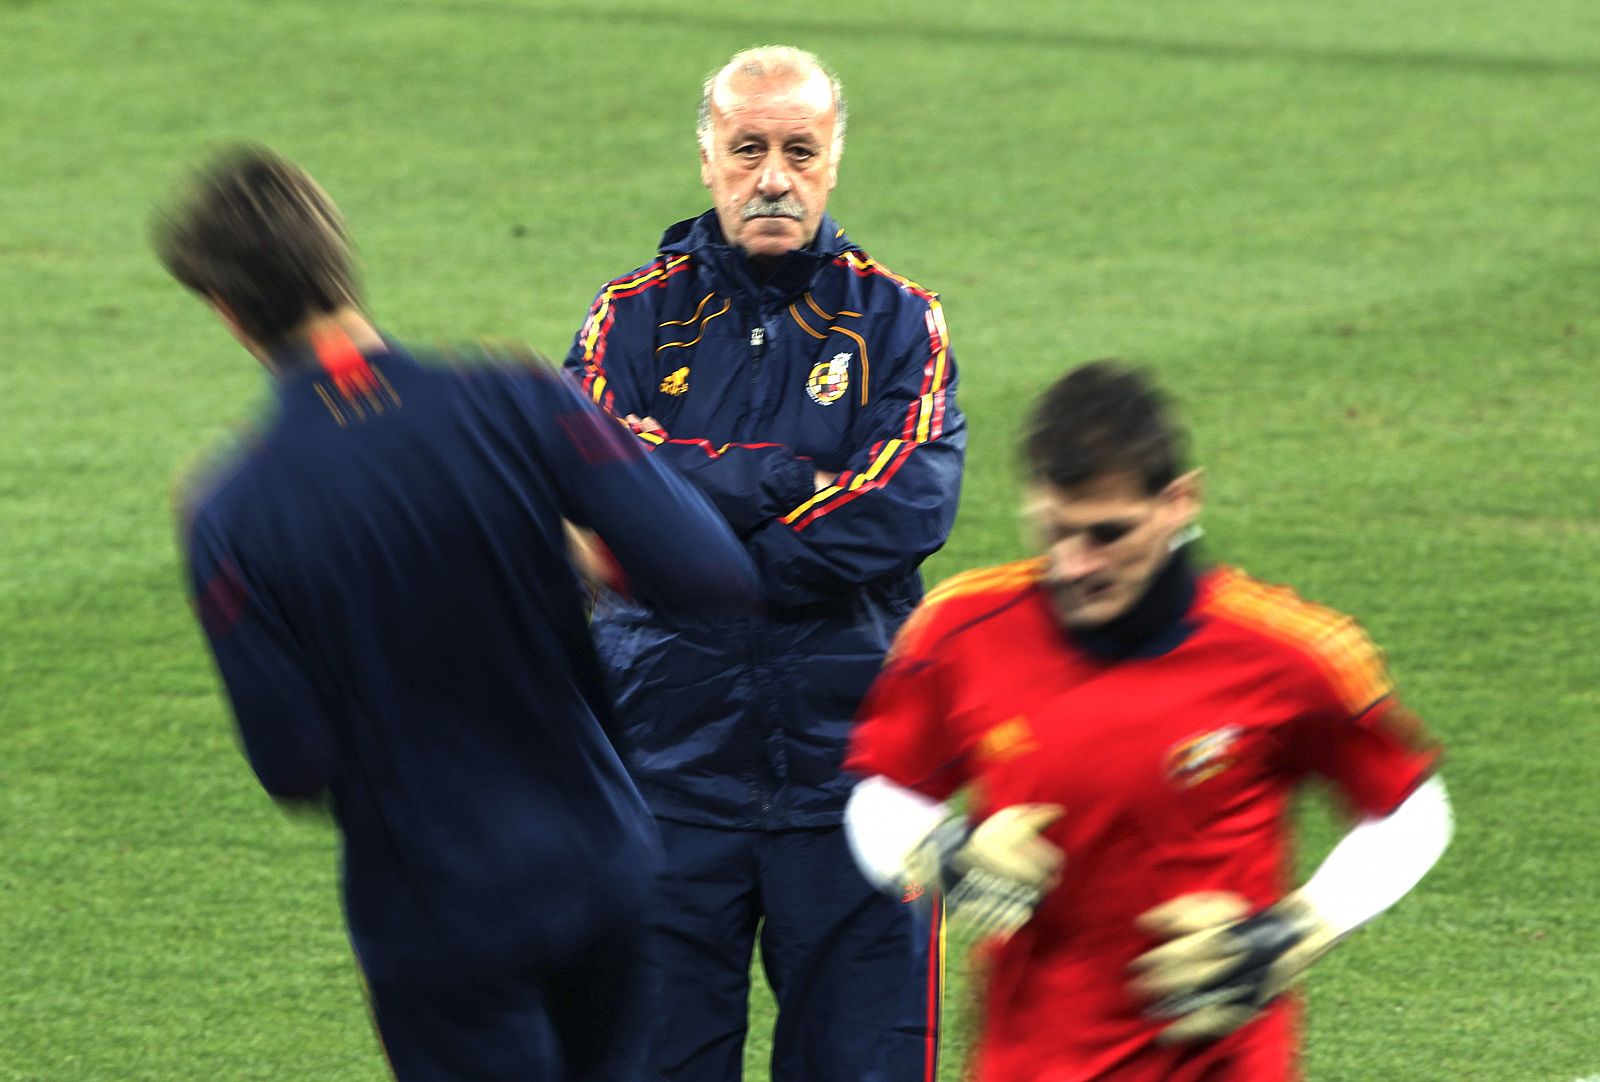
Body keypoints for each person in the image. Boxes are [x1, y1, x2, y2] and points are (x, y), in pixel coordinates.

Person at [156, 146, 760, 1082]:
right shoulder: (516, 397)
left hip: (437, 913)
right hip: (604, 864)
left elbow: (293, 762)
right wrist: (583, 555)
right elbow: (711, 573)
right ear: (338, 258)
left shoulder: (230, 511)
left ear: (229, 314)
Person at [843, 361, 1453, 1081]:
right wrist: (943, 852)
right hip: (1031, 1061)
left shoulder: (1288, 652)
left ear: (1178, 502)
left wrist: (1299, 928)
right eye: (1056, 531)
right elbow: (880, 795)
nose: (1075, 564)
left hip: (1219, 1065)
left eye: (1108, 534)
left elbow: (1411, 810)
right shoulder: (961, 631)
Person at [561, 45, 965, 1081]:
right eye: (747, 150)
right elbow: (593, 495)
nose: (771, 177)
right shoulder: (629, 318)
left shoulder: (899, 322)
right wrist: (785, 474)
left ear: (834, 159)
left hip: (854, 783)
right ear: (707, 157)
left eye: (797, 149)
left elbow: (904, 507)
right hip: (663, 779)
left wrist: (686, 529)